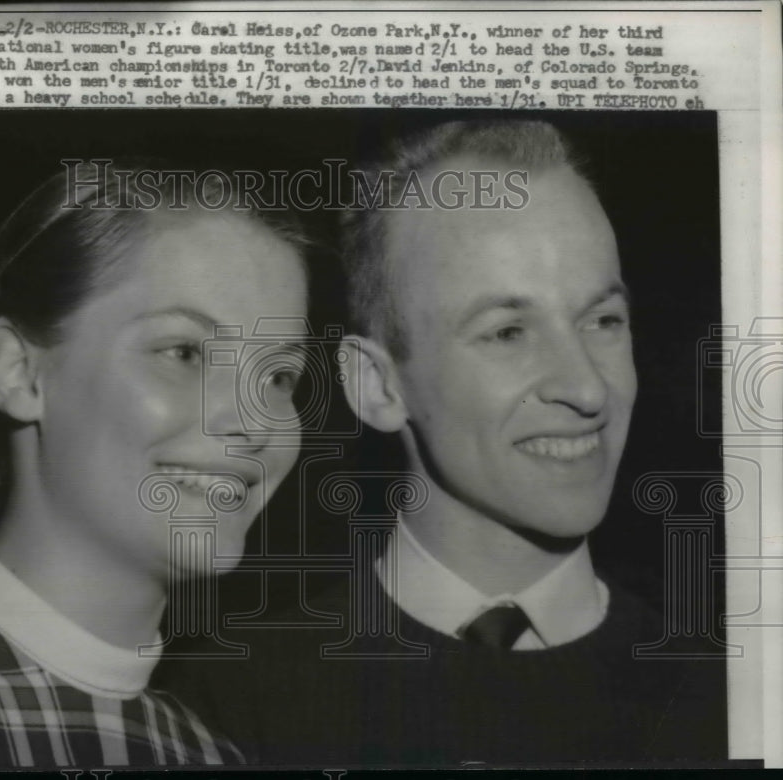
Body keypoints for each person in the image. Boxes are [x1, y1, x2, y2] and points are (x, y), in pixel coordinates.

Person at [161, 120, 727, 765]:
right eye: (508, 332)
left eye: (603, 321)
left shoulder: (730, 698)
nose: (588, 389)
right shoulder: (224, 708)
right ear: (377, 385)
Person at [0, 163, 310, 768]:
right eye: (184, 351)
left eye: (281, 376)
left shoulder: (212, 754)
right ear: (19, 373)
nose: (256, 423)